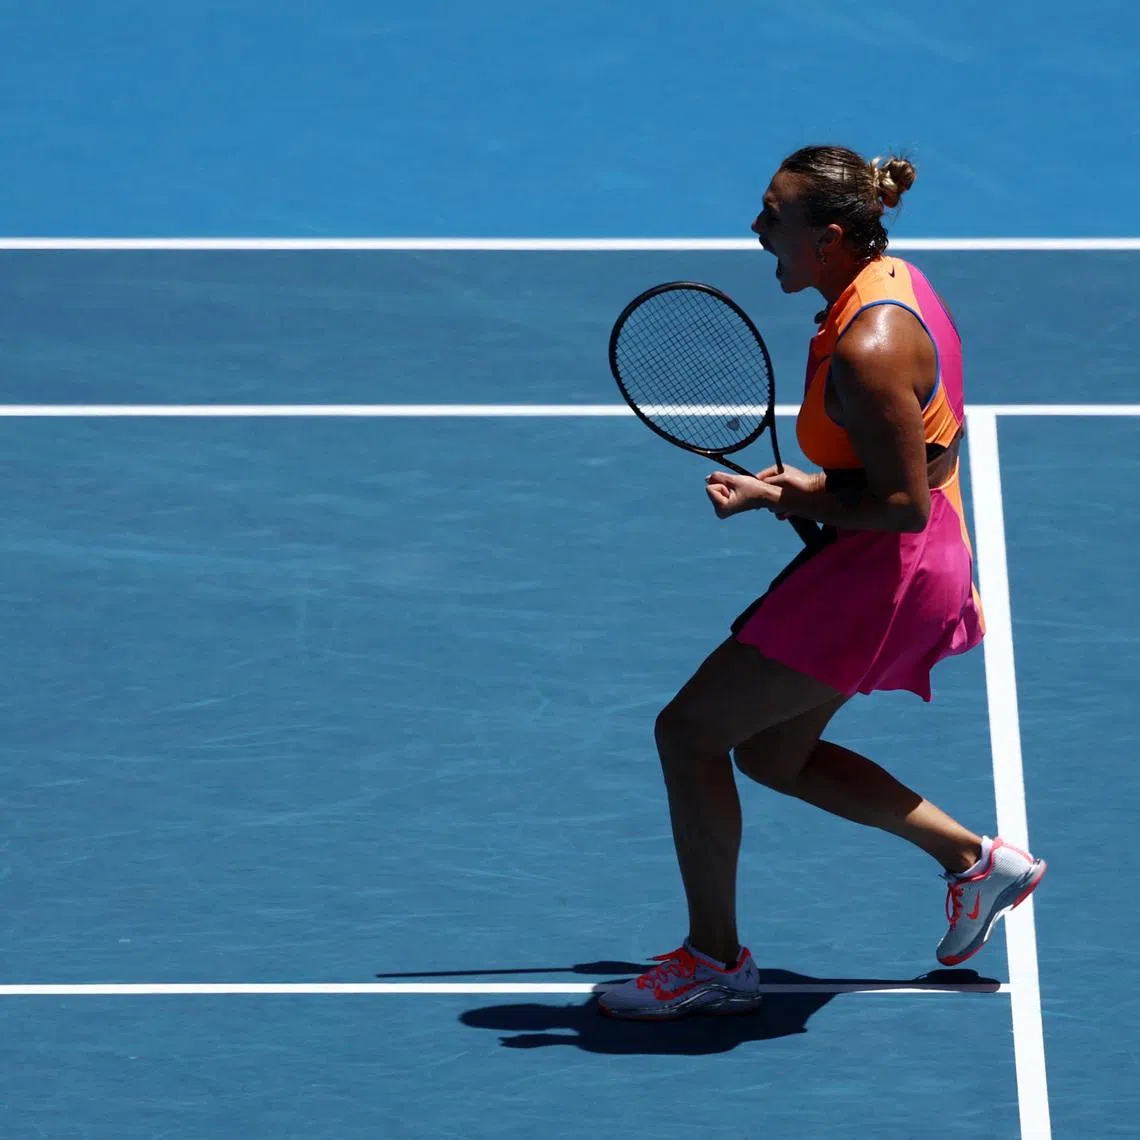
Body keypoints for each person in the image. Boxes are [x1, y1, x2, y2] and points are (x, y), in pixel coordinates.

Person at [598, 144, 1046, 1021]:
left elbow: (900, 506)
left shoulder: (869, 345)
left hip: (889, 571)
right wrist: (807, 488)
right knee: (772, 753)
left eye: (773, 218)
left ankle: (713, 962)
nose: (756, 228)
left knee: (688, 734)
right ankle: (975, 863)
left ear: (830, 238)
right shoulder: (893, 282)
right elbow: (927, 452)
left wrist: (785, 499)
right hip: (897, 556)